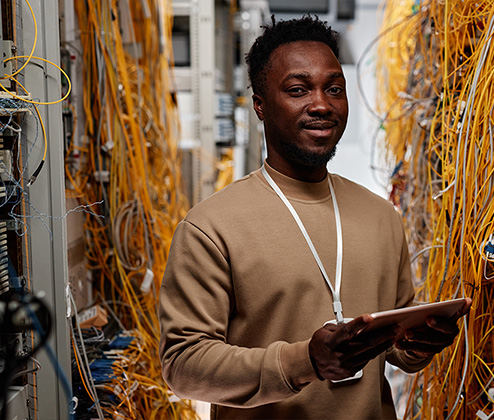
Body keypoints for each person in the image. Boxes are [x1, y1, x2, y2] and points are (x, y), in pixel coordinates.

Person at [159, 15, 471, 419]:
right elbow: (183, 367)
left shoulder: (380, 217)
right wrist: (305, 361)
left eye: (334, 89)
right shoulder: (211, 227)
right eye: (297, 90)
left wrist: (414, 344)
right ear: (260, 105)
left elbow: (394, 349)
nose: (321, 104)